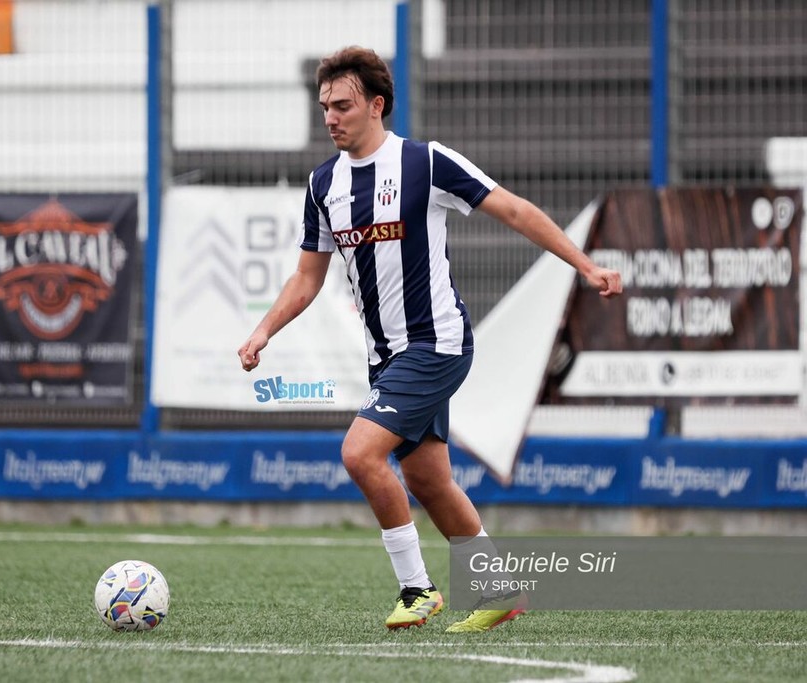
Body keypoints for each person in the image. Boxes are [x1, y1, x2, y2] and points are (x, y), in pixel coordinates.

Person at [237, 46, 623, 632]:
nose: (331, 118)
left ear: (377, 105)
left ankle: (417, 589)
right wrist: (264, 329)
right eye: (324, 108)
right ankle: (500, 589)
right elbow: (307, 277)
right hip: (386, 357)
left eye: (342, 106)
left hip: (436, 344)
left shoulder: (425, 162)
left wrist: (586, 266)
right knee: (427, 479)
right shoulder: (323, 184)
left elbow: (515, 212)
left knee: (359, 453)